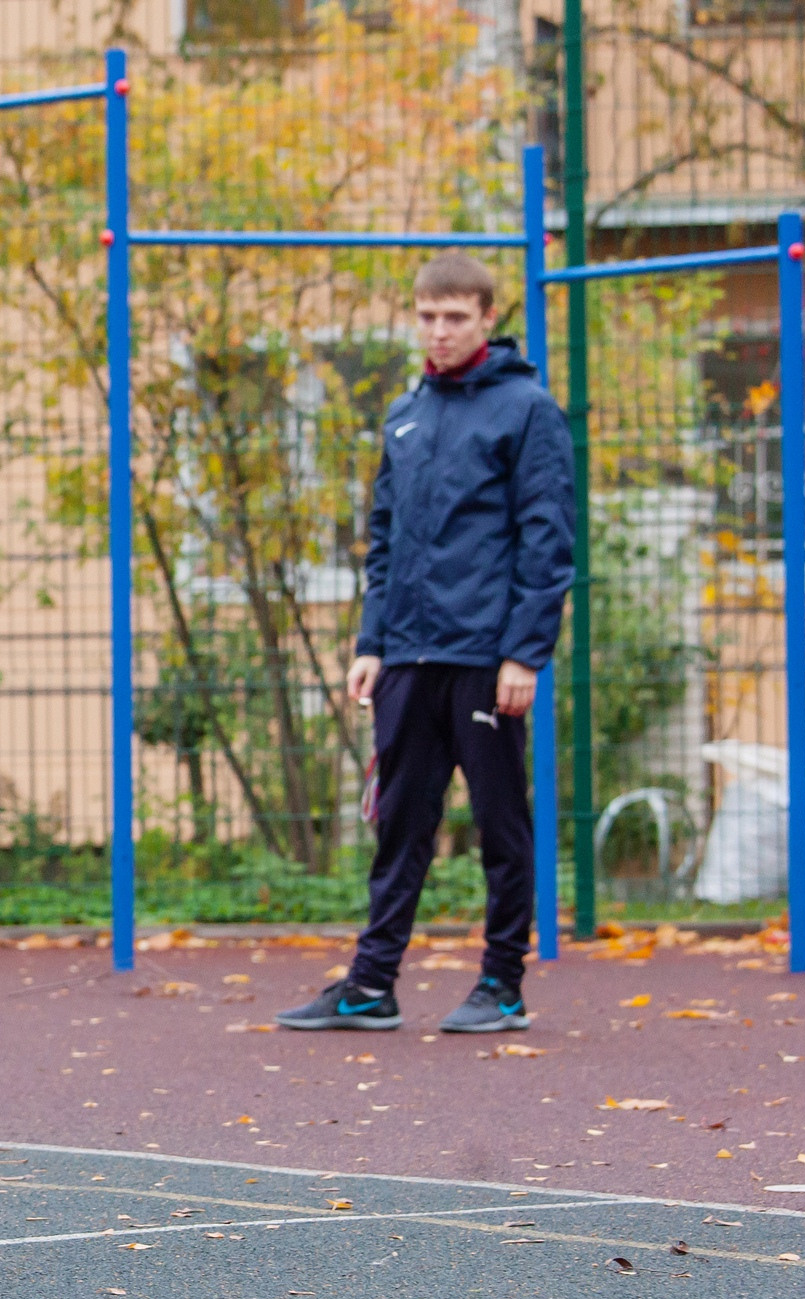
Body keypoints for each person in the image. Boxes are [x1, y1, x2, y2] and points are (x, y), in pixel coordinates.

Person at [278, 253, 574, 1035]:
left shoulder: (527, 410)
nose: (439, 331)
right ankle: (370, 986)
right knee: (400, 824)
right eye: (427, 317)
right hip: (406, 655)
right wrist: (372, 640)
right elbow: (385, 539)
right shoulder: (406, 413)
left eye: (455, 317)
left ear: (486, 319)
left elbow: (547, 541)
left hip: (485, 658)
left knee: (500, 825)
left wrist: (525, 653)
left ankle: (502, 984)